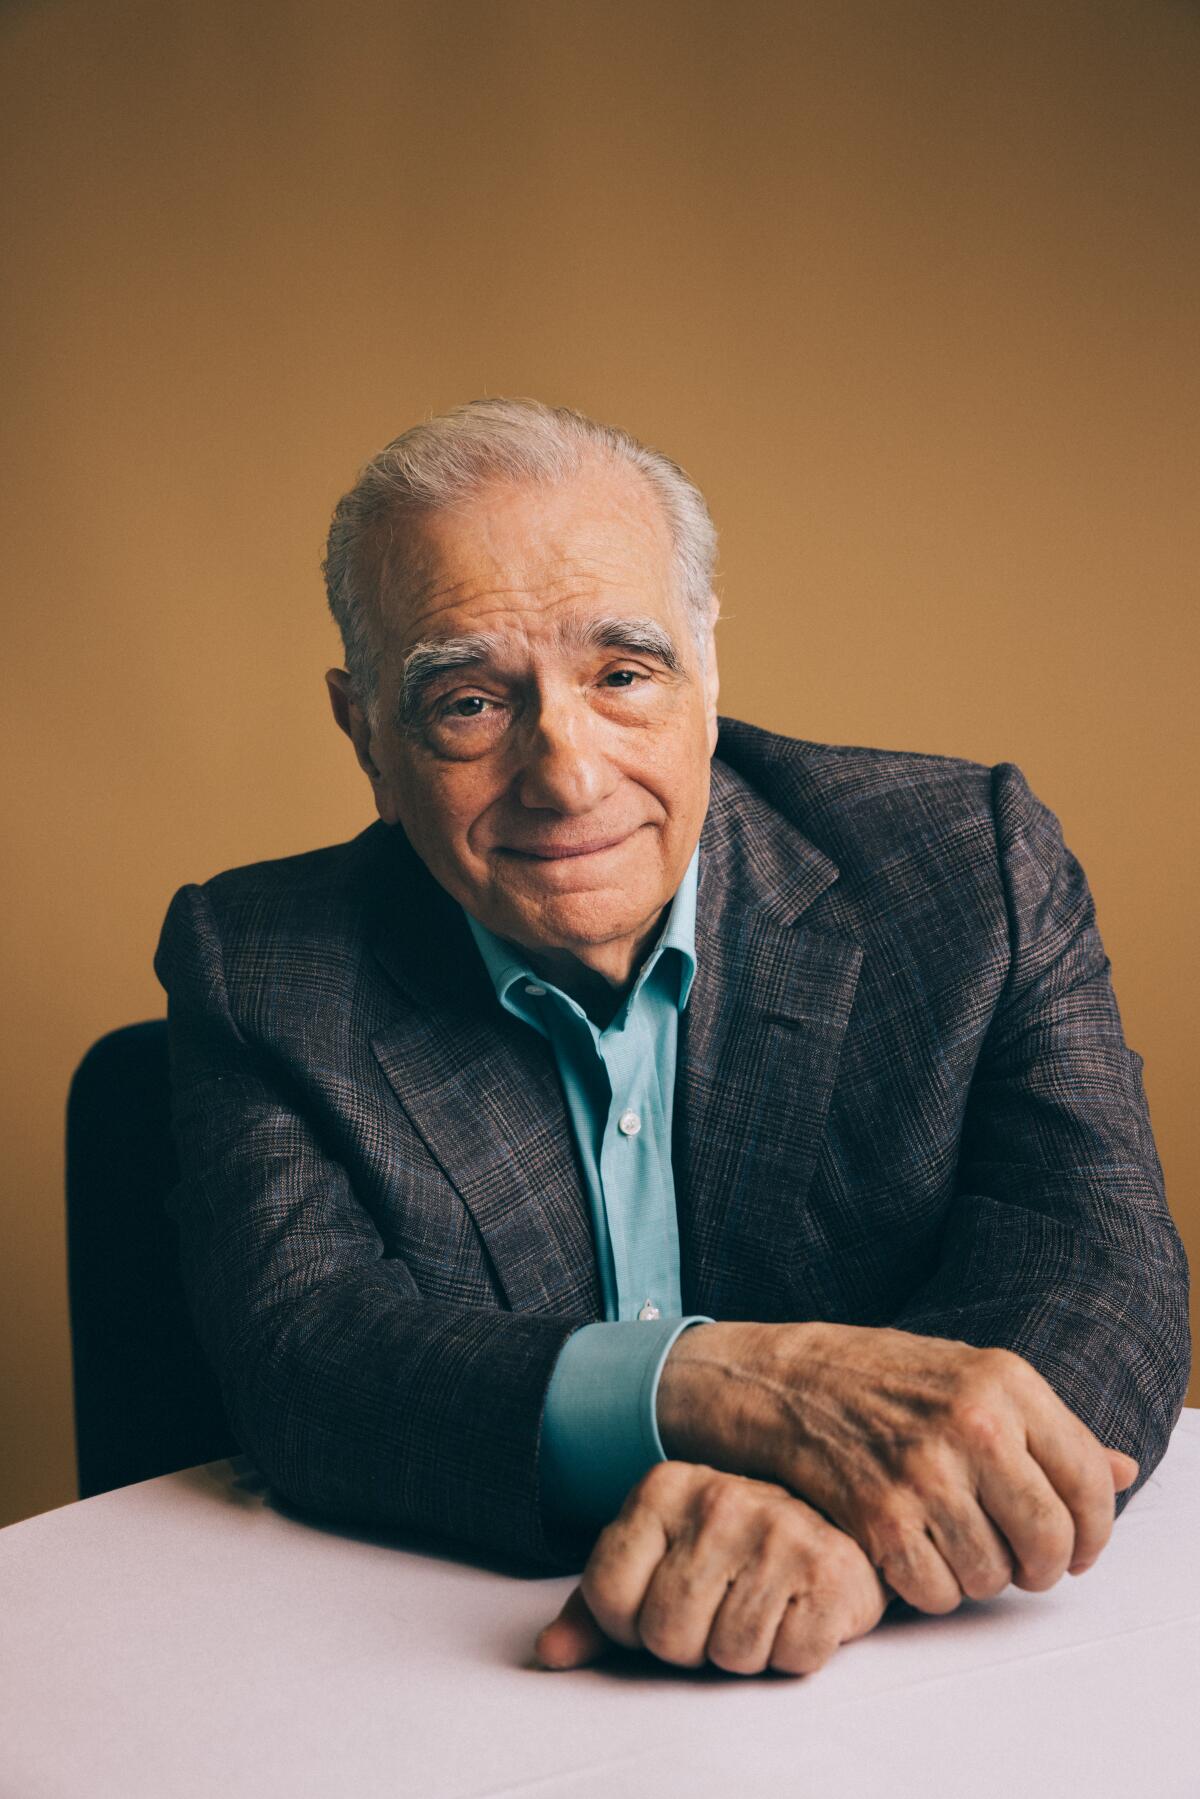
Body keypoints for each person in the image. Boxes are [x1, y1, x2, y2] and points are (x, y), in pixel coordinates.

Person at [154, 397, 1190, 1679]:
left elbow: (1100, 1269)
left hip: (926, 1685)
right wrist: (716, 1383)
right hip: (455, 1686)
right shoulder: (254, 958)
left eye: (623, 675)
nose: (567, 773)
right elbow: (313, 1357)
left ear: (709, 666)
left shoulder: (965, 867)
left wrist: (840, 1523)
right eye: (469, 701)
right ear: (361, 724)